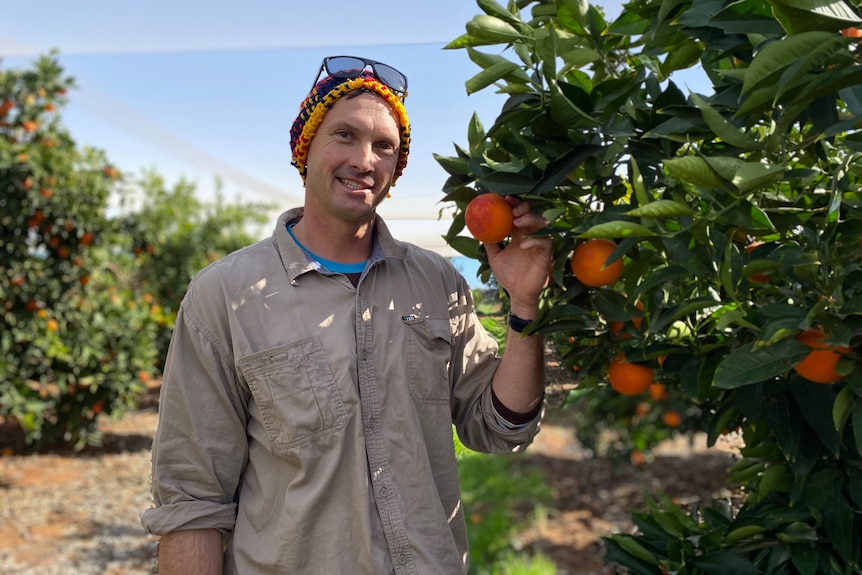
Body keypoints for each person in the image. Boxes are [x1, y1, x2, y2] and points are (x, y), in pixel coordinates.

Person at [141, 55, 552, 574]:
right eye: (344, 134)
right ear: (305, 149)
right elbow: (192, 499)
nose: (365, 159)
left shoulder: (436, 282)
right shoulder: (224, 295)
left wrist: (524, 304)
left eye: (385, 147)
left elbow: (499, 427)